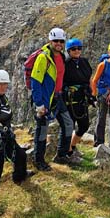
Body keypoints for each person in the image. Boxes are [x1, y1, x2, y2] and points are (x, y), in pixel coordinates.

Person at [0, 69, 34, 211]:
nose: (3, 86)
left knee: (20, 155)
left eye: (5, 84)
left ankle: (19, 177)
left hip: (4, 137)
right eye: (0, 84)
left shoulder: (2, 98)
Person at [31, 27, 75, 170]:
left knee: (68, 123)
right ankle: (39, 161)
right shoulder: (43, 58)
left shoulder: (61, 57)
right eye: (56, 41)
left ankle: (61, 156)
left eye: (61, 41)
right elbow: (35, 82)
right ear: (50, 40)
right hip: (44, 100)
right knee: (42, 129)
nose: (58, 44)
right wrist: (39, 104)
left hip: (58, 97)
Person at [64, 37, 94, 164]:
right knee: (68, 126)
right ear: (69, 51)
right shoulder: (65, 63)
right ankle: (67, 151)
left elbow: (89, 79)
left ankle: (72, 146)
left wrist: (92, 95)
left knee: (84, 125)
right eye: (73, 49)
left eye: (78, 48)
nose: (76, 51)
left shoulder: (84, 62)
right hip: (70, 101)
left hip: (82, 99)